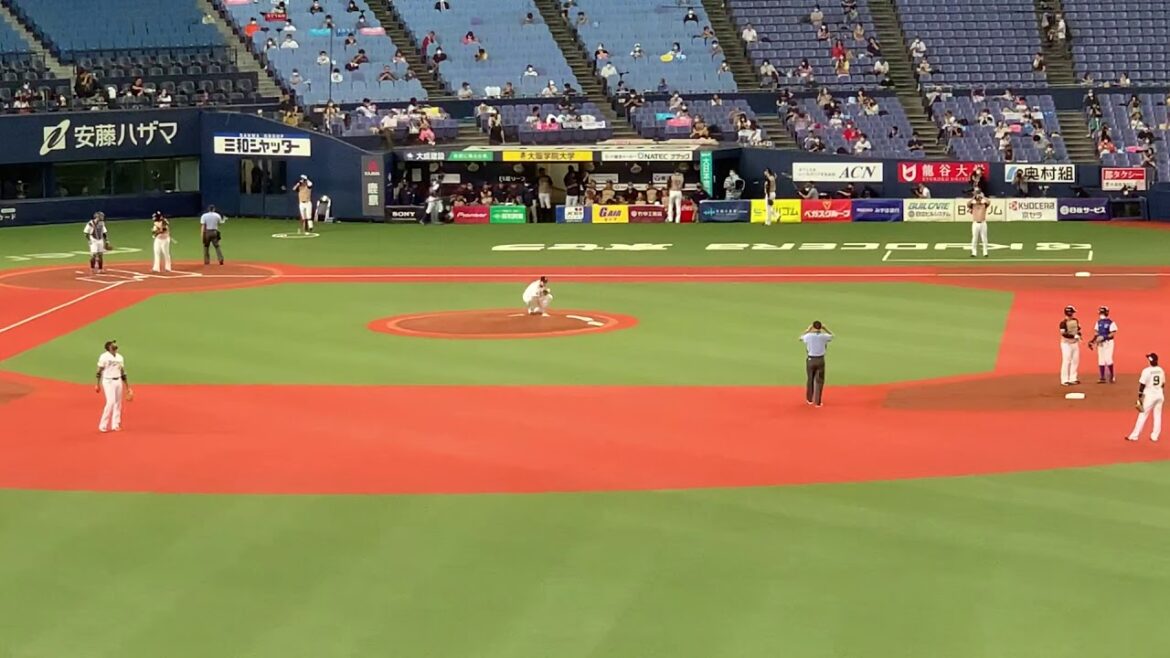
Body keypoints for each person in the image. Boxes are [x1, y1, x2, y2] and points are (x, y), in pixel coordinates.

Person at [94, 340, 132, 433]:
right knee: (110, 402)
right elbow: (99, 370)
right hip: (108, 381)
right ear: (109, 348)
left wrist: (127, 387)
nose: (115, 346)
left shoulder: (120, 357)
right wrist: (97, 384)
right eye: (113, 345)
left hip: (118, 380)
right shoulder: (104, 356)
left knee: (118, 403)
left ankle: (116, 424)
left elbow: (122, 372)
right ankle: (103, 425)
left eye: (115, 345)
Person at [1126, 353, 1164, 442]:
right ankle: (1155, 436)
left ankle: (1134, 436)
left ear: (1149, 361)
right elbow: (1163, 384)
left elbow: (1142, 385)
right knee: (1157, 416)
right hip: (1160, 395)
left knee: (1142, 415)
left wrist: (1140, 396)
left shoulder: (1146, 371)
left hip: (1150, 397)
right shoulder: (1160, 370)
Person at [800, 321, 833, 407]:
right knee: (819, 381)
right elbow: (832, 336)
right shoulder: (824, 336)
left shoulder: (808, 336)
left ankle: (809, 399)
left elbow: (800, 338)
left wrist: (808, 329)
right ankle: (818, 402)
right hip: (820, 360)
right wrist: (825, 328)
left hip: (811, 359)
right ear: (820, 327)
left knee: (810, 379)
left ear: (813, 327)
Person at [1088, 305, 1118, 383]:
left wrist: (1104, 337)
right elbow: (1096, 333)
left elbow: (1112, 333)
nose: (1102, 314)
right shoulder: (1098, 322)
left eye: (1103, 313)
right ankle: (1102, 377)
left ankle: (1112, 376)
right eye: (1101, 313)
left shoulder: (1111, 322)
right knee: (1101, 359)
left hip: (1108, 343)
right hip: (1100, 343)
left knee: (1108, 359)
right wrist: (1092, 341)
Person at [1059, 305, 1082, 386]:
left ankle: (1073, 378)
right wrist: (1074, 336)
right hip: (1066, 344)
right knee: (1066, 361)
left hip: (1074, 343)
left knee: (1075, 361)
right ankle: (1064, 380)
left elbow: (1078, 330)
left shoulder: (1075, 321)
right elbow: (1063, 334)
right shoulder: (1063, 323)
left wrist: (1079, 335)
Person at [967, 191, 990, 258]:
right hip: (975, 223)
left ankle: (985, 252)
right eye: (977, 198)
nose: (978, 200)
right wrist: (973, 197)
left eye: (979, 198)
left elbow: (988, 202)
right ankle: (974, 252)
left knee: (984, 238)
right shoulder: (973, 205)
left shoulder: (984, 204)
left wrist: (983, 196)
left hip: (983, 223)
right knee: (974, 238)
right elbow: (968, 204)